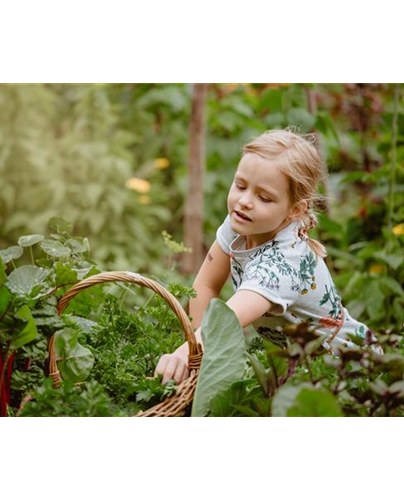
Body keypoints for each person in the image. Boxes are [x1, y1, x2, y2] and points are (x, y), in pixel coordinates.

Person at [154, 129, 383, 385]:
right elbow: (206, 285)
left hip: (350, 368)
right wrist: (196, 353)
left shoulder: (284, 263)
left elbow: (227, 320)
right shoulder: (241, 223)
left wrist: (188, 352)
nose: (244, 201)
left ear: (294, 210)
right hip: (301, 367)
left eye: (264, 197)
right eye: (240, 185)